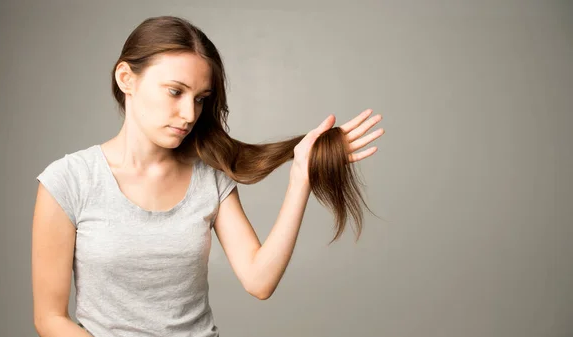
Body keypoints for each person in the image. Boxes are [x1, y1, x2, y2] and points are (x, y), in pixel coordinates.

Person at [31, 15, 384, 337]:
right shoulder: (69, 181)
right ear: (127, 79)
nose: (189, 114)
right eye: (175, 91)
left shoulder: (209, 179)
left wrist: (300, 179)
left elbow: (259, 281)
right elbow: (49, 318)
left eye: (201, 99)